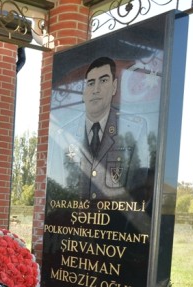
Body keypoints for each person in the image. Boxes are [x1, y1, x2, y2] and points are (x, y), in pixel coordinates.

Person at [50, 56, 151, 201]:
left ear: (114, 87)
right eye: (90, 83)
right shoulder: (64, 134)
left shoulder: (135, 129)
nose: (95, 89)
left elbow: (138, 194)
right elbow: (56, 193)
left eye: (103, 81)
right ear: (84, 93)